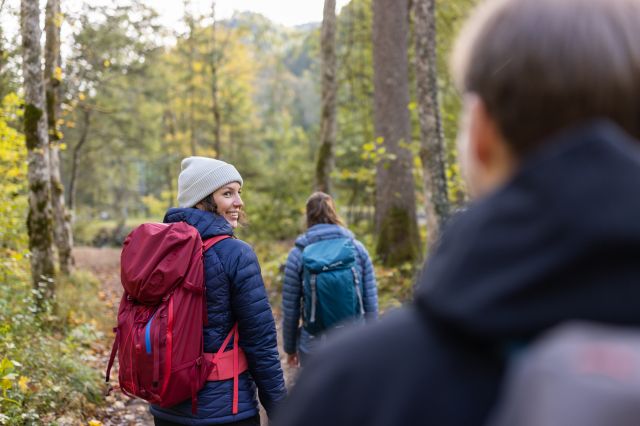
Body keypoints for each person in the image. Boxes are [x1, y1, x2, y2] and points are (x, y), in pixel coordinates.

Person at [273, 0, 640, 424]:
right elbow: (369, 291)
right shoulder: (352, 247)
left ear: (481, 135)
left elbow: (293, 300)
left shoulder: (355, 384)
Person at [150, 157, 286, 425]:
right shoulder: (236, 253)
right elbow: (260, 342)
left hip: (166, 406)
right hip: (225, 410)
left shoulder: (160, 249)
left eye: (238, 192)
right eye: (227, 193)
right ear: (201, 201)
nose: (239, 202)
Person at [281, 192, 378, 367]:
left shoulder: (298, 254)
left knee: (318, 393)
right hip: (355, 337)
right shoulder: (357, 248)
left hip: (314, 342)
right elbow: (370, 300)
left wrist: (290, 348)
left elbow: (290, 308)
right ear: (334, 213)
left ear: (308, 216)